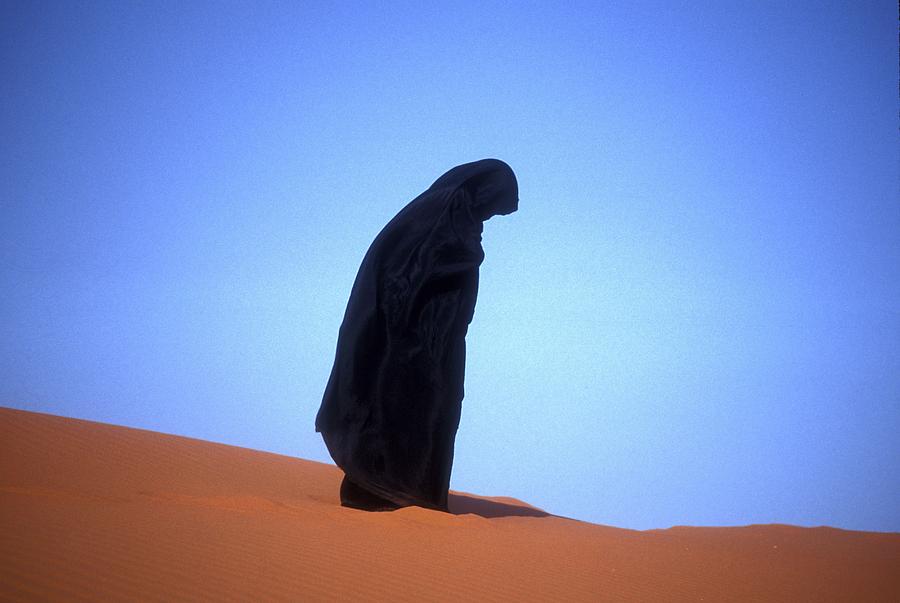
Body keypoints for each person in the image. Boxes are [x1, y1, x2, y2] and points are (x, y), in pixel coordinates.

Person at [315, 158, 518, 511]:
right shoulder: (445, 211)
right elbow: (421, 266)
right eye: (490, 208)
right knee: (405, 412)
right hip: (411, 343)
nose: (486, 218)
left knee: (432, 414)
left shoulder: (448, 213)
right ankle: (387, 494)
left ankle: (410, 493)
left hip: (432, 342)